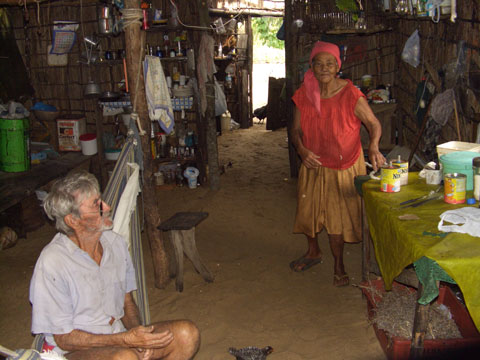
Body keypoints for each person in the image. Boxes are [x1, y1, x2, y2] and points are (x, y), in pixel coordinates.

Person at [30, 171, 200, 359]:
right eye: (97, 205)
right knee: (125, 357)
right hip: (73, 351)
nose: (107, 207)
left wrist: (138, 335)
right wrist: (125, 340)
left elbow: (127, 302)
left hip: (117, 337)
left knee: (186, 334)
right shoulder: (53, 262)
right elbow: (64, 339)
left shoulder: (115, 244)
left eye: (101, 200)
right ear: (73, 220)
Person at [289, 41, 386, 287]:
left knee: (335, 219)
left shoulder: (351, 94)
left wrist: (373, 146)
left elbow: (373, 124)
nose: (324, 68)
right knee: (308, 210)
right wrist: (302, 150)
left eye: (329, 63)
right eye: (318, 64)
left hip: (344, 166)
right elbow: (296, 130)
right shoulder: (305, 93)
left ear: (337, 67)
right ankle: (313, 251)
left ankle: (339, 265)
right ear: (311, 66)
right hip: (313, 162)